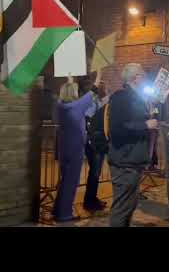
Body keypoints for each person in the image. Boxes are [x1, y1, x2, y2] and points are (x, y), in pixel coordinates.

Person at [107, 63, 159, 227]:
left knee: (129, 206)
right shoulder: (121, 97)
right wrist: (145, 125)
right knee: (122, 208)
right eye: (143, 75)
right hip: (124, 162)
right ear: (137, 78)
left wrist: (148, 117)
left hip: (133, 161)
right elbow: (117, 129)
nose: (145, 78)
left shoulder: (137, 98)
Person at [53, 70, 103, 222]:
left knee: (64, 181)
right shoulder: (78, 106)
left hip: (63, 148)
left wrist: (69, 78)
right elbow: (94, 90)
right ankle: (65, 214)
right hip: (75, 149)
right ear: (73, 93)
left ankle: (57, 210)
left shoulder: (60, 106)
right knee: (70, 183)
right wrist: (99, 73)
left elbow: (68, 90)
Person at [83, 80, 110, 212]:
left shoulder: (98, 101)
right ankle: (89, 202)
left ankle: (92, 199)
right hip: (93, 142)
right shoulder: (91, 103)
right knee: (94, 173)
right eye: (102, 86)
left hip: (98, 141)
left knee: (96, 173)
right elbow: (91, 119)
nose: (104, 88)